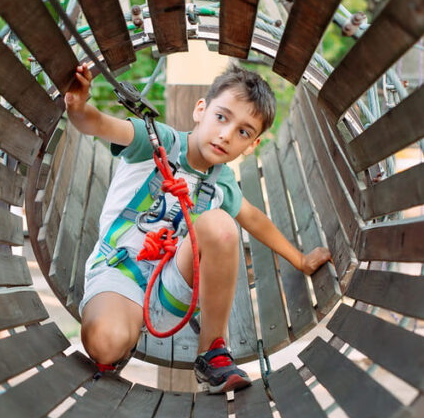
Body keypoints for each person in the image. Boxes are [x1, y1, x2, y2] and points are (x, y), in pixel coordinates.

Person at [65, 63, 331, 393]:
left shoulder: (222, 186)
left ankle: (212, 351)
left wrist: (301, 260)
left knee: (221, 224)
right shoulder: (157, 141)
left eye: (243, 132)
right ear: (200, 110)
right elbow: (99, 124)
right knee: (105, 343)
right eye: (222, 117)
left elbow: (256, 220)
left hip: (173, 287)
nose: (226, 135)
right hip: (120, 272)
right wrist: (78, 107)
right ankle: (121, 333)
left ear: (252, 145)